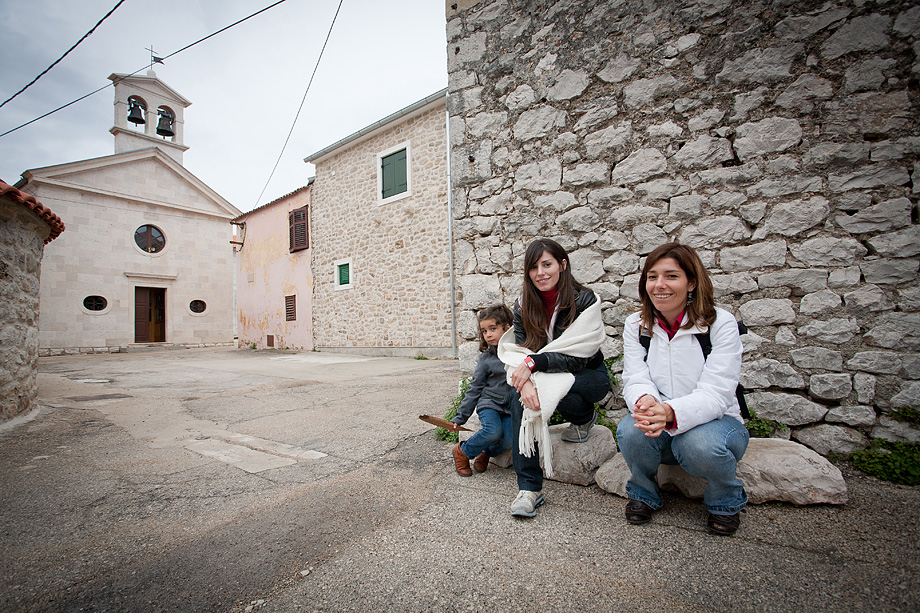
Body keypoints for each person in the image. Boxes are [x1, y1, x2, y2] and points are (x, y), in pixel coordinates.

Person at [617, 242, 749, 536]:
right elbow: (635, 375)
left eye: (671, 276)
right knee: (630, 431)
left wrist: (669, 412)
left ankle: (725, 501)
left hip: (718, 422)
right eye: (652, 276)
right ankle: (643, 493)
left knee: (697, 444)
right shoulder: (636, 324)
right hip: (660, 416)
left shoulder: (720, 324)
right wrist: (647, 403)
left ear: (691, 282)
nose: (659, 285)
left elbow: (717, 393)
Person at [498, 238, 609, 518]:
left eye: (547, 264)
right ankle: (529, 488)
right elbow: (518, 350)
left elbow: (581, 355)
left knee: (564, 387)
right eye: (533, 267)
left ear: (562, 265)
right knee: (517, 393)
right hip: (544, 375)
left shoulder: (585, 300)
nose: (540, 273)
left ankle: (584, 417)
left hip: (587, 375)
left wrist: (534, 365)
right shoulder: (523, 304)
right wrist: (525, 381)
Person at [450, 305, 515, 477]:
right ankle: (462, 452)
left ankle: (485, 453)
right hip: (490, 404)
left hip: (510, 407)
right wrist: (460, 417)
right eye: (484, 331)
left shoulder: (518, 354)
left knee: (510, 439)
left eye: (493, 329)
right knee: (493, 431)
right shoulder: (486, 359)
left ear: (507, 328)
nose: (488, 335)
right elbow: (474, 389)